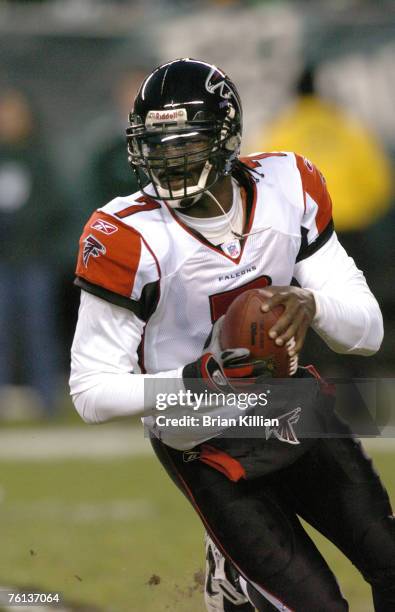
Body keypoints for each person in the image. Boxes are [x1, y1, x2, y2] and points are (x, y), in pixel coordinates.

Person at [69, 59, 394, 611]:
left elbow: (367, 333)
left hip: (290, 406)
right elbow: (90, 391)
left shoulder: (288, 184)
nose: (168, 160)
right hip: (200, 436)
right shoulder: (126, 234)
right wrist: (201, 379)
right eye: (157, 145)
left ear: (225, 136)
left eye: (184, 143)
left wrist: (312, 303)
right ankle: (234, 581)